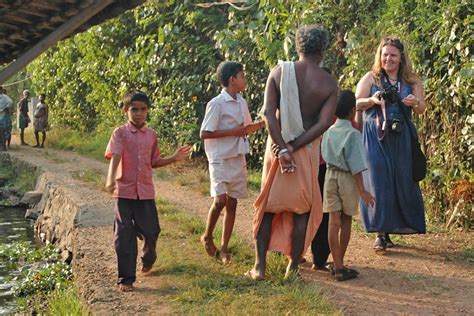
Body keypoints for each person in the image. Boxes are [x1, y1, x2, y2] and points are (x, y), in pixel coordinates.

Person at [247, 24, 337, 280]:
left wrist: (281, 147)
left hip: (277, 149)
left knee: (268, 208)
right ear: (323, 49)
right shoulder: (328, 82)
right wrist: (294, 147)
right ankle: (293, 269)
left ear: (298, 46)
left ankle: (260, 267)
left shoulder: (279, 72)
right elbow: (323, 124)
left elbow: (267, 113)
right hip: (305, 151)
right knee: (302, 211)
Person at [105, 90, 191, 292]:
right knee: (123, 236)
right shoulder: (120, 133)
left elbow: (154, 161)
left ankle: (147, 258)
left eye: (143, 109)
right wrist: (110, 180)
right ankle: (126, 279)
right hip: (124, 192)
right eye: (134, 109)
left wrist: (173, 158)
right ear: (126, 110)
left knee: (151, 232)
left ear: (148, 111)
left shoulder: (151, 135)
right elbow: (116, 156)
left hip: (145, 193)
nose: (138, 114)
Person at [355, 36, 426, 253]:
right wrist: (373, 100)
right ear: (380, 56)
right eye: (385, 54)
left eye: (393, 55)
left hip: (401, 138)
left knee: (402, 181)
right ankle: (380, 233)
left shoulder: (412, 81)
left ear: (401, 57)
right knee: (379, 181)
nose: (388, 59)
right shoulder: (371, 78)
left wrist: (415, 102)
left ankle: (398, 224)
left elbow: (422, 108)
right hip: (375, 137)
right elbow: (356, 102)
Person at [200, 61, 265, 264]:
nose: (244, 79)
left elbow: (245, 128)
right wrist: (232, 132)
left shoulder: (241, 102)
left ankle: (224, 248)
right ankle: (207, 235)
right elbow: (205, 133)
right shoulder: (217, 104)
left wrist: (264, 123)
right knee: (220, 200)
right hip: (219, 157)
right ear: (232, 79)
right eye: (242, 76)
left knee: (233, 202)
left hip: (237, 156)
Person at [322, 90, 375, 281]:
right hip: (347, 178)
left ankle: (336, 265)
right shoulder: (353, 134)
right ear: (353, 111)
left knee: (332, 221)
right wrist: (363, 190)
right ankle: (340, 264)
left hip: (330, 176)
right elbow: (356, 166)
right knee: (345, 221)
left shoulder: (328, 131)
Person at [0, 86, 13, 151]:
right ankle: (2, 146)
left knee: (2, 131)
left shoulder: (4, 97)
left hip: (3, 116)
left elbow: (10, 102)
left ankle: (3, 147)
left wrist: (6, 108)